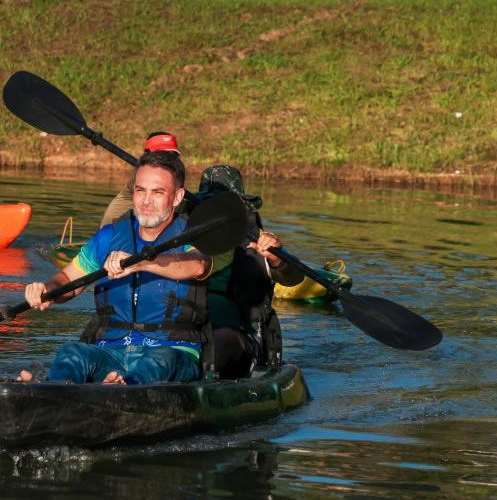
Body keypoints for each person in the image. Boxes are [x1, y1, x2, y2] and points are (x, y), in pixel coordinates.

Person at [19, 150, 212, 385]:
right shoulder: (109, 236)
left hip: (173, 351)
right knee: (73, 352)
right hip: (112, 351)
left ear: (178, 197)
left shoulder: (192, 234)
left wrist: (141, 263)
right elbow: (68, 279)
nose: (146, 201)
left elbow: (198, 265)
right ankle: (49, 392)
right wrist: (47, 290)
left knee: (159, 360)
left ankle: (121, 390)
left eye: (158, 192)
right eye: (140, 190)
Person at [196, 165, 305, 380]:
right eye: (211, 204)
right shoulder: (184, 238)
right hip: (187, 333)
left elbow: (293, 277)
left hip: (239, 339)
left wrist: (276, 258)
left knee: (221, 341)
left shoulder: (262, 242)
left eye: (227, 206)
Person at [99, 131, 180, 227]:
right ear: (147, 154)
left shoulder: (169, 174)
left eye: (172, 155)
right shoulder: (142, 174)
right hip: (116, 228)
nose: (168, 159)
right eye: (163, 154)